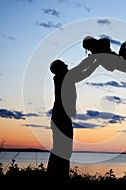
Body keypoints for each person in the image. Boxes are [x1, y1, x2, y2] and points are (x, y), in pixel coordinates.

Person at [47, 54, 100, 182]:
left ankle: (56, 176)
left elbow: (81, 70)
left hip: (60, 117)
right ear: (59, 69)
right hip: (61, 118)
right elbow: (82, 72)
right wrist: (93, 62)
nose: (67, 65)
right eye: (64, 65)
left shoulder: (62, 77)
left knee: (61, 149)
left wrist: (91, 61)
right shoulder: (64, 78)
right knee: (63, 150)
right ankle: (58, 177)